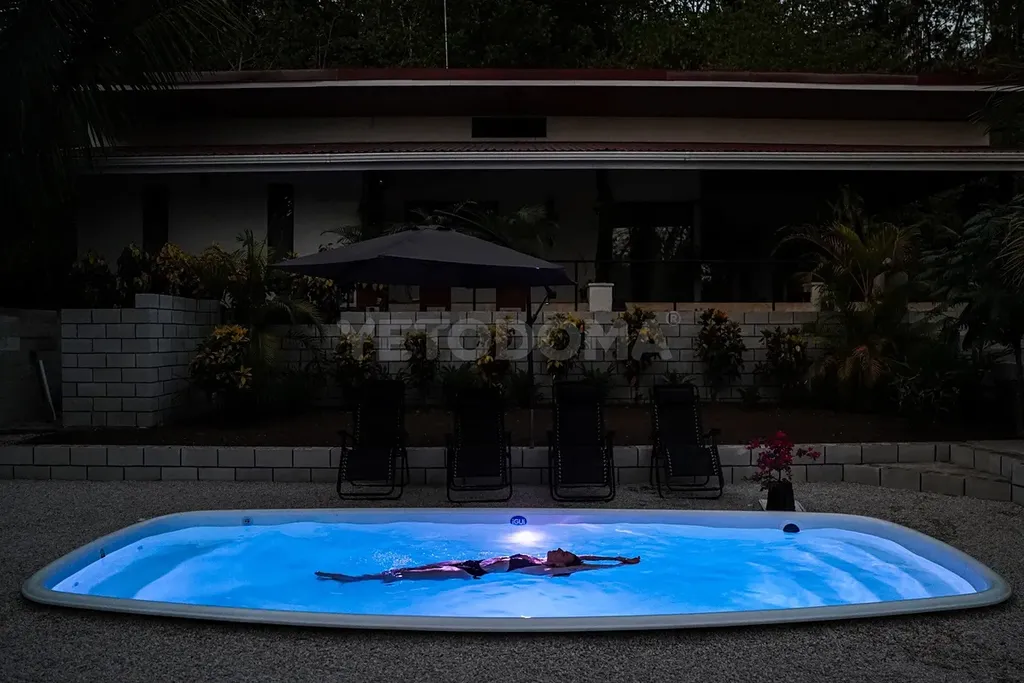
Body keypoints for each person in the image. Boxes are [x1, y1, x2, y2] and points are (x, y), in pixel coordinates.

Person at [315, 548, 640, 583]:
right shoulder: (538, 558)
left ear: (562, 563)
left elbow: (584, 565)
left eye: (564, 552)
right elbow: (586, 556)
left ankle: (354, 580)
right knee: (416, 567)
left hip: (471, 572)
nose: (560, 549)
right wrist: (617, 557)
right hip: (469, 561)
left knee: (407, 574)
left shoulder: (548, 570)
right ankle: (368, 578)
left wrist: (618, 567)